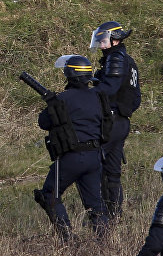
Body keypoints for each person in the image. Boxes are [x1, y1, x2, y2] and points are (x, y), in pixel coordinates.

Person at [32, 55, 109, 240]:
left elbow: (43, 122)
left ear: (69, 75)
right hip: (95, 157)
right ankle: (105, 242)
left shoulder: (63, 99)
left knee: (49, 194)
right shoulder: (98, 96)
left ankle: (67, 239)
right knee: (95, 205)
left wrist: (52, 104)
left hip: (71, 158)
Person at [90, 21, 140, 219]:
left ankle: (103, 215)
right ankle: (115, 214)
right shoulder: (125, 59)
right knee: (112, 171)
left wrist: (86, 94)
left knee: (99, 168)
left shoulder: (117, 58)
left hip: (112, 121)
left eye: (104, 41)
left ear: (116, 39)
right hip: (120, 121)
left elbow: (108, 89)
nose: (101, 45)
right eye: (99, 41)